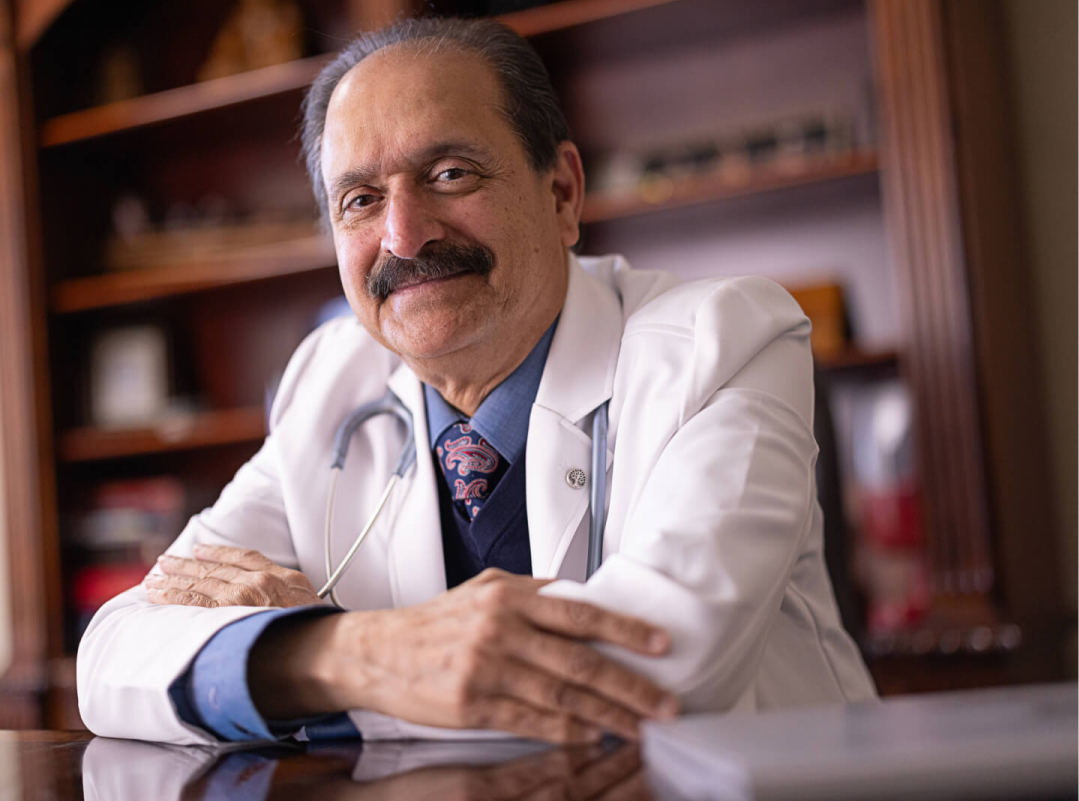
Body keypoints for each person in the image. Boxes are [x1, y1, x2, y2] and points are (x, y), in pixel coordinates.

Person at [76, 17, 876, 746]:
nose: (404, 234)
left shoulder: (725, 338)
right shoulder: (331, 377)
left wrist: (290, 665)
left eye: (451, 173)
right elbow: (111, 657)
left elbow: (660, 668)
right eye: (359, 200)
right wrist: (345, 651)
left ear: (561, 193)